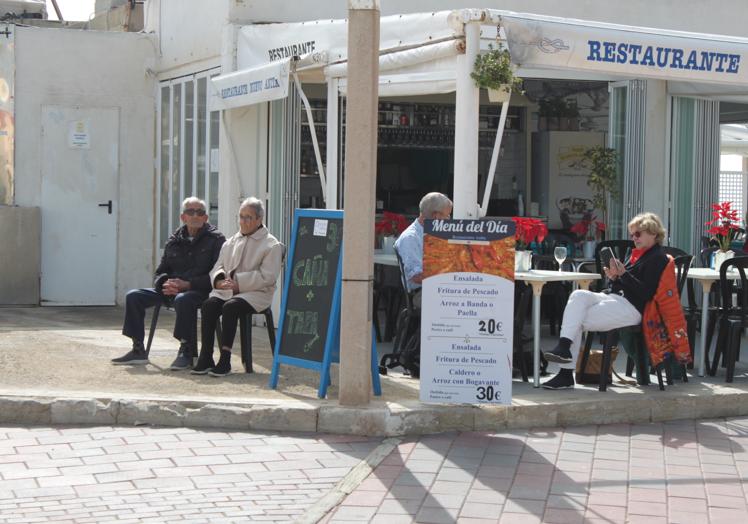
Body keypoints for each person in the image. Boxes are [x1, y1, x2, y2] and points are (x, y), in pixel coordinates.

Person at [541, 212, 670, 390]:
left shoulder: (658, 258)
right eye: (632, 234)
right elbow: (625, 284)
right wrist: (615, 278)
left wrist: (624, 274)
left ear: (653, 233)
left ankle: (565, 373)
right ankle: (563, 348)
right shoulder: (637, 255)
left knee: (575, 318)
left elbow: (646, 293)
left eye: (638, 234)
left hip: (633, 308)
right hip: (615, 298)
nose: (634, 238)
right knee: (578, 296)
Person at [112, 197, 226, 369]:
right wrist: (166, 283)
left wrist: (187, 285)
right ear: (183, 217)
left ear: (205, 218)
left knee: (183, 299)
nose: (195, 216)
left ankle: (186, 350)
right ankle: (138, 350)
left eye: (199, 212)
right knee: (134, 296)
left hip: (200, 291)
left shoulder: (216, 240)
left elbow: (217, 275)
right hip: (173, 290)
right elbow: (160, 271)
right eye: (190, 212)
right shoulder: (174, 240)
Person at [192, 197, 283, 377]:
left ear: (259, 220)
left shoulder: (271, 244)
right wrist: (218, 281)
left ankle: (225, 359)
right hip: (229, 290)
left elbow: (268, 276)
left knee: (230, 307)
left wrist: (238, 283)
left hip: (257, 293)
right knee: (209, 305)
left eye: (248, 217)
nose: (243, 221)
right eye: (241, 216)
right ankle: (206, 357)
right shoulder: (232, 241)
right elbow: (218, 266)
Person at [394, 192, 453, 291]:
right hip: (422, 292)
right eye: (447, 216)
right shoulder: (411, 238)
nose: (448, 220)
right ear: (436, 216)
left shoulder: (434, 234)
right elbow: (416, 277)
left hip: (438, 288)